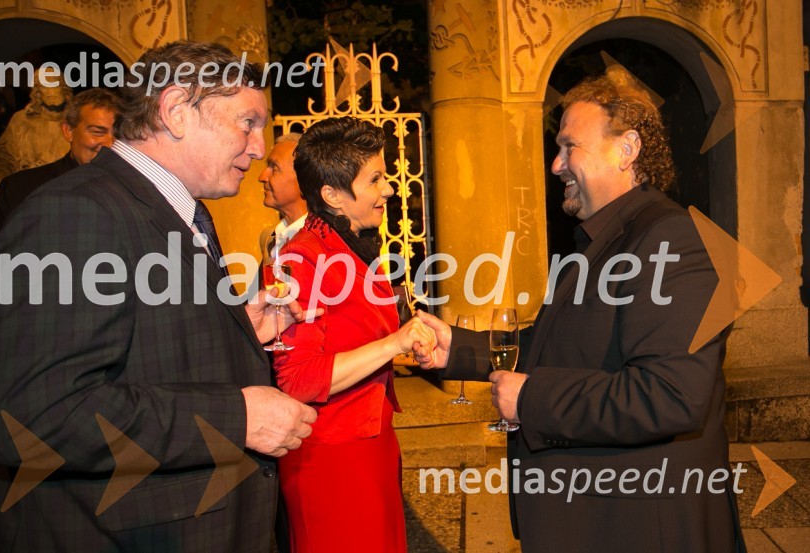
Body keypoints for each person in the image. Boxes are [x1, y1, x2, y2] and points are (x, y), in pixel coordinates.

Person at [0, 41, 317, 552]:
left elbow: (135, 349)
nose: (256, 146)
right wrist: (237, 418)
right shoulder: (75, 214)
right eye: (247, 122)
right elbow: (36, 416)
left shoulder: (165, 207)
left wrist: (236, 326)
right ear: (177, 110)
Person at [414, 69, 746, 553]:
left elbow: (672, 395)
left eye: (571, 147)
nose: (556, 164)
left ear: (627, 149)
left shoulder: (669, 239)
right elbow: (560, 347)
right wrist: (458, 349)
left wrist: (532, 401)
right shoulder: (603, 240)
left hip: (635, 527)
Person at [272, 116, 435, 553]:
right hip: (330, 458)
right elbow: (297, 379)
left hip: (371, 443)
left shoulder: (354, 245)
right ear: (331, 195)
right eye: (376, 179)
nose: (389, 189)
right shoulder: (302, 258)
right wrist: (394, 343)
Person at [0, 88, 120, 232]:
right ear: (68, 131)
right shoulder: (22, 189)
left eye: (119, 134)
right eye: (97, 132)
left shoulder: (134, 188)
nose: (110, 144)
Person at [0, 69, 73, 205]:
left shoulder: (77, 120)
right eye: (43, 87)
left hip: (69, 196)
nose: (50, 93)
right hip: (29, 197)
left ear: (64, 88)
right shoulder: (22, 120)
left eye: (54, 85)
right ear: (37, 92)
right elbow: (1, 156)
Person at [258, 132, 307, 267]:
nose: (262, 177)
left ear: (304, 180)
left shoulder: (326, 241)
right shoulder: (271, 238)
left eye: (274, 168)